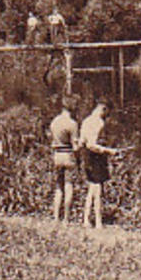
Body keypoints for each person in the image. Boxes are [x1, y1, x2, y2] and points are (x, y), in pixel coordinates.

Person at [79, 98, 128, 228]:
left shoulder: (86, 121)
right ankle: (98, 223)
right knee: (98, 191)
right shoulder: (98, 122)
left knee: (92, 190)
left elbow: (83, 142)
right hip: (95, 158)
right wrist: (109, 151)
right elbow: (92, 144)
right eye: (108, 112)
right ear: (103, 109)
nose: (108, 116)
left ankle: (86, 220)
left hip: (87, 158)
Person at [49, 94, 80, 222]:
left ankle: (56, 217)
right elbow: (75, 146)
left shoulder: (54, 121)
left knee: (58, 187)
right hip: (68, 155)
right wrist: (78, 156)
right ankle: (66, 218)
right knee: (68, 186)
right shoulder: (72, 124)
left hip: (56, 155)